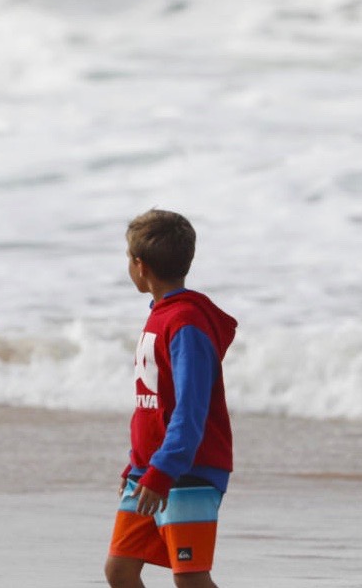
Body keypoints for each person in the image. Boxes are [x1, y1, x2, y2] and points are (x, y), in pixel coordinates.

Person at [104, 209, 237, 588]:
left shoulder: (187, 324)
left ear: (140, 266)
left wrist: (163, 470)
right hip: (149, 471)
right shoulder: (160, 316)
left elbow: (190, 411)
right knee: (120, 569)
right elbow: (152, 407)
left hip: (187, 470)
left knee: (190, 578)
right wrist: (136, 465)